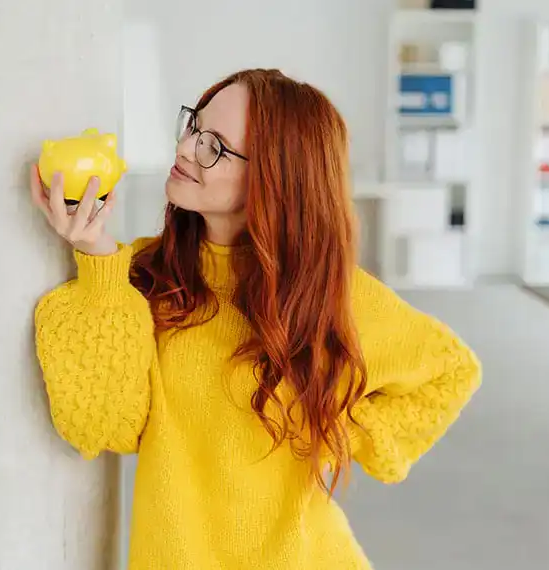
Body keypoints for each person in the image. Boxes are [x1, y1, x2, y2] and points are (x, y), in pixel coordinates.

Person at [30, 68, 482, 570]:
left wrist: (334, 424)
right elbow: (102, 427)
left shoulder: (329, 294)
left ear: (276, 177)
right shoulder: (142, 279)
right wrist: (96, 257)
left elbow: (450, 371)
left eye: (215, 147)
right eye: (193, 127)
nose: (184, 149)